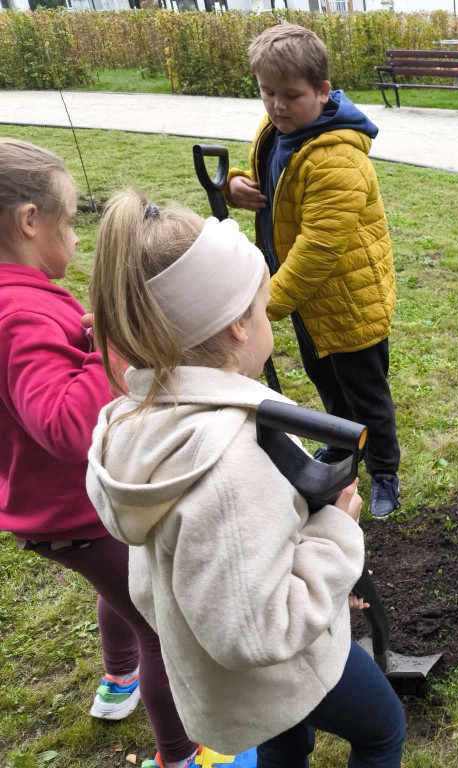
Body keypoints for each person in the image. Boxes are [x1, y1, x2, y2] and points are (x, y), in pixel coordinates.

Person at [86, 191, 406, 767]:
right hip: (285, 670)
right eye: (261, 310)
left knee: (286, 739)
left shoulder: (141, 427)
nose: (268, 323)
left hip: (231, 684)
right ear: (236, 326)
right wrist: (336, 534)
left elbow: (160, 586)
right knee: (383, 728)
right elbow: (258, 630)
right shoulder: (227, 462)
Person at [0, 139, 210, 768]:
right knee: (159, 626)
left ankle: (118, 682)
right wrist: (111, 345)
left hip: (64, 513)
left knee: (123, 586)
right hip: (72, 512)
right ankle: (181, 755)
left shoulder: (20, 295)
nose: (73, 236)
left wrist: (84, 336)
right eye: (67, 221)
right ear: (29, 221)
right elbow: (64, 423)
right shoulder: (17, 311)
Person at [224, 22, 401, 519]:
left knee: (367, 395)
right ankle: (343, 445)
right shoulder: (278, 132)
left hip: (347, 299)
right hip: (303, 299)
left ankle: (384, 468)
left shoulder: (338, 159)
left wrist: (265, 303)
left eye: (291, 95)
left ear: (323, 91)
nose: (277, 105)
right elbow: (267, 186)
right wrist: (237, 186)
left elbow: (319, 248)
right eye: (267, 93)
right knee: (326, 381)